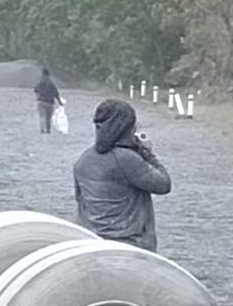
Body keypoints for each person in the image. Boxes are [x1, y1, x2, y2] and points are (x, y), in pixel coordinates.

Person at [73, 99, 171, 252]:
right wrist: (147, 152)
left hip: (91, 241)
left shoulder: (83, 159)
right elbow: (164, 184)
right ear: (126, 129)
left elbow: (79, 199)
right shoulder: (126, 159)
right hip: (128, 244)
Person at [33, 68, 63, 134]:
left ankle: (42, 131)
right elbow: (56, 94)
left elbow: (36, 91)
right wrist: (59, 102)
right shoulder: (52, 84)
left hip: (41, 102)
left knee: (42, 117)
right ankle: (48, 132)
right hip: (50, 103)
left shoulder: (40, 82)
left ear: (43, 74)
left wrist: (38, 97)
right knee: (48, 119)